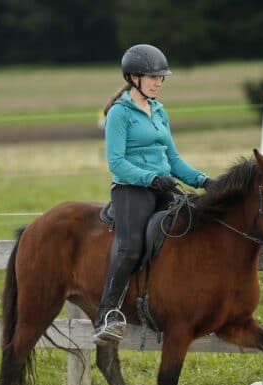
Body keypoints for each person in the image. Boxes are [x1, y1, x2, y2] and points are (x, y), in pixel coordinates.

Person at [93, 43, 213, 344]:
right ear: (133, 77)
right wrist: (150, 178)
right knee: (131, 246)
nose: (159, 82)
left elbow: (172, 158)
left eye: (161, 77)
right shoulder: (120, 114)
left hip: (163, 185)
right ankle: (107, 313)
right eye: (153, 77)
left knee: (193, 228)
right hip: (131, 189)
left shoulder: (159, 110)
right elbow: (116, 162)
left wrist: (204, 181)